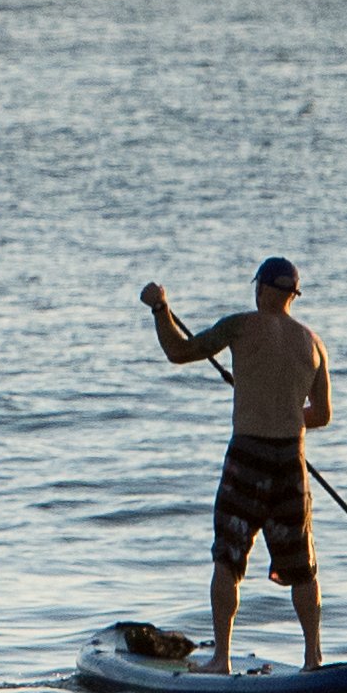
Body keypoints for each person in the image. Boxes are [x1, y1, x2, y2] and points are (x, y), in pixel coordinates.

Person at [139, 257, 334, 669]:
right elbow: (322, 414)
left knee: (228, 558)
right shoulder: (314, 344)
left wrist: (161, 308)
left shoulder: (240, 325)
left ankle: (222, 658)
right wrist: (282, 409)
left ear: (261, 289)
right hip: (290, 463)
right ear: (292, 297)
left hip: (247, 456)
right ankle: (313, 659)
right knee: (303, 567)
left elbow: (179, 351)